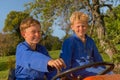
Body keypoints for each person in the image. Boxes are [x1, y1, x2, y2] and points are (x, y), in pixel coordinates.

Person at [60, 11, 105, 79]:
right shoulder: (69, 42)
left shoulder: (90, 41)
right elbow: (65, 63)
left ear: (87, 26)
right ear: (72, 27)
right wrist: (67, 77)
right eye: (78, 26)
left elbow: (98, 58)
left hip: (94, 69)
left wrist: (104, 69)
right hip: (78, 72)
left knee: (113, 76)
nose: (81, 29)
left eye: (83, 26)